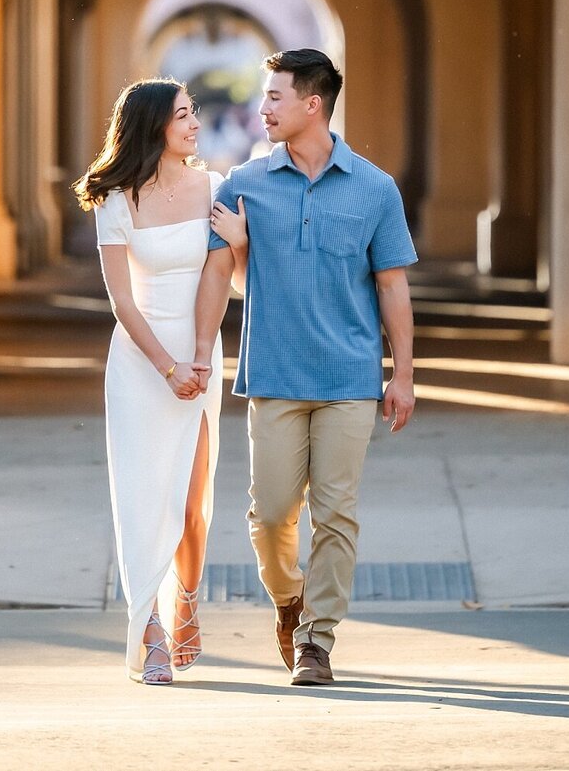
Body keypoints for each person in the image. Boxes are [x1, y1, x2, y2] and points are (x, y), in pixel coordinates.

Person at [191, 48, 417, 687]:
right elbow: (235, 281)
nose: (262, 108)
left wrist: (401, 374)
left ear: (311, 104)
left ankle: (317, 639)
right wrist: (236, 248)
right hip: (274, 373)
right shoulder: (245, 184)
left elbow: (392, 286)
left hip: (349, 377)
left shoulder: (375, 188)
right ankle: (289, 599)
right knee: (270, 514)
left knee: (337, 511)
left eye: (274, 97)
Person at [73, 80, 246, 684]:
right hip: (141, 363)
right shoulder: (115, 201)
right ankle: (147, 626)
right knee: (144, 498)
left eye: (193, 112)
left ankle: (187, 603)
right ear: (154, 127)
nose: (195, 123)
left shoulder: (218, 189)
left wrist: (198, 357)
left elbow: (228, 278)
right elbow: (121, 302)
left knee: (193, 500)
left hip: (201, 351)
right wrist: (166, 367)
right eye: (183, 115)